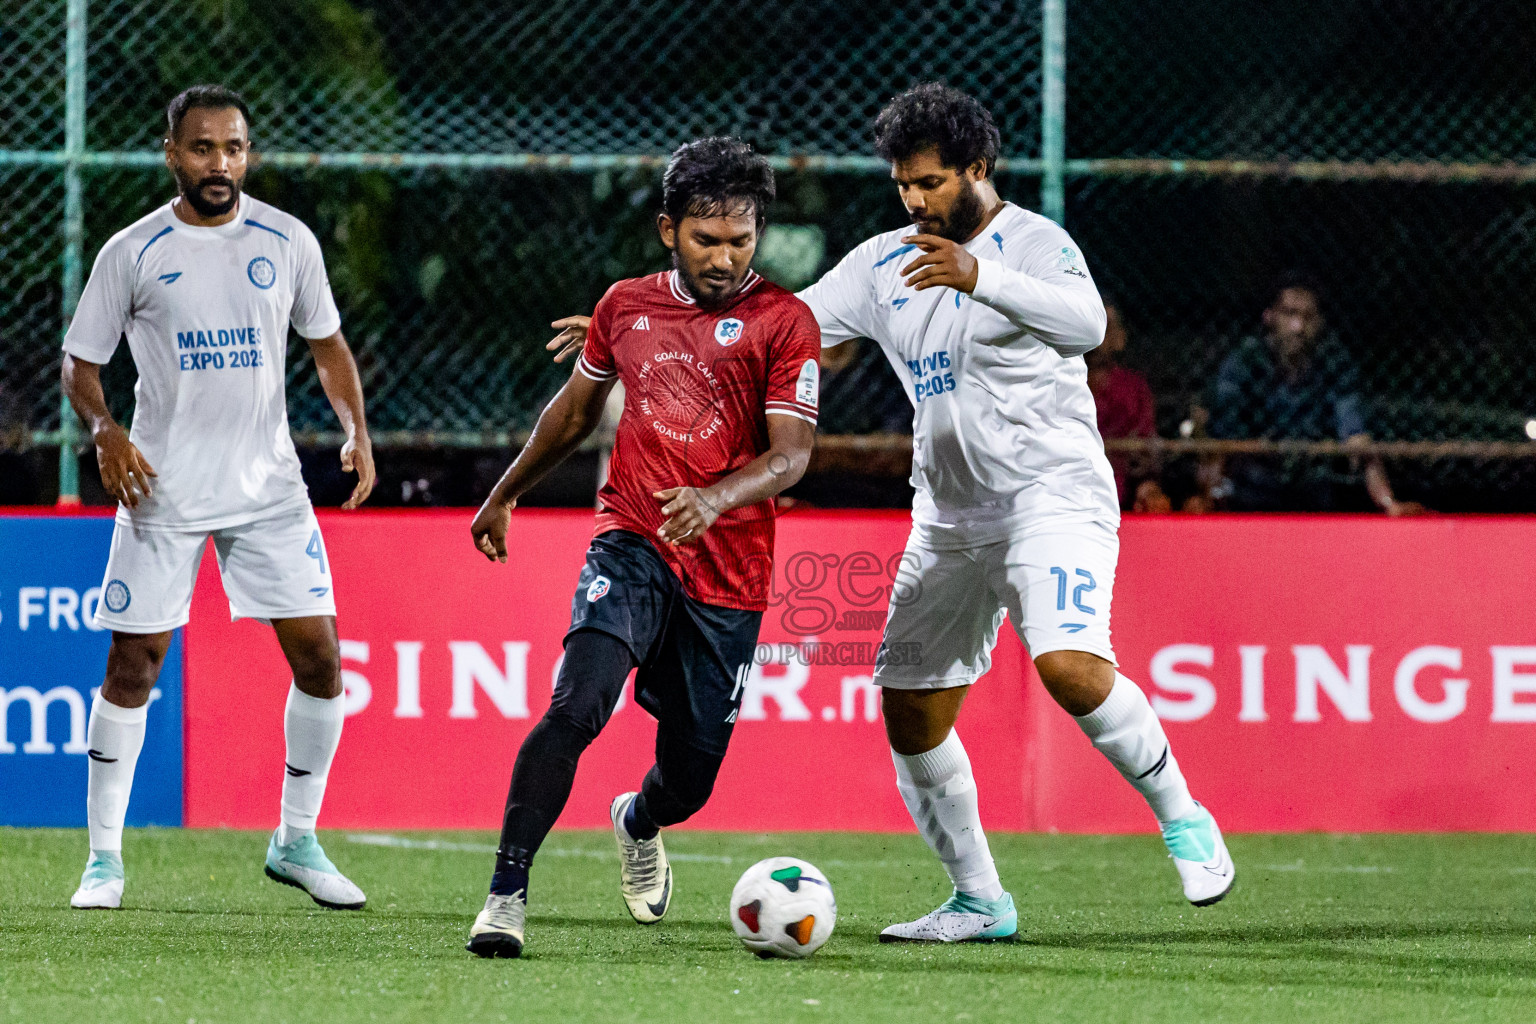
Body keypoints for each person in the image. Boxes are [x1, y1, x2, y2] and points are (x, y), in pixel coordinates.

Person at [548, 86, 1235, 943]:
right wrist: (654, 327)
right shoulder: (885, 262)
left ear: (978, 171)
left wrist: (979, 275)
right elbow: (785, 323)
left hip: (1050, 499)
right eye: (904, 184)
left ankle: (1183, 817)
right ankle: (980, 901)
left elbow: (1086, 325)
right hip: (948, 516)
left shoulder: (1033, 244)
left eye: (933, 182)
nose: (914, 200)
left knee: (1067, 666)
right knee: (909, 708)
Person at [464, 137, 820, 959]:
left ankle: (639, 819)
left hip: (729, 575)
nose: (726, 256)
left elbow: (792, 455)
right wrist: (505, 491)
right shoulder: (624, 306)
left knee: (689, 780)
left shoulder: (784, 322)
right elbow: (574, 414)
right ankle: (505, 897)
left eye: (741, 239)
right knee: (576, 704)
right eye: (706, 238)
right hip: (631, 542)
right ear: (669, 229)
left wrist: (714, 498)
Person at [61, 85, 376, 911]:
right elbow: (80, 366)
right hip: (162, 487)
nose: (220, 164)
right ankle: (102, 861)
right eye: (202, 149)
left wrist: (355, 428)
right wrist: (103, 431)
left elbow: (328, 345)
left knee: (322, 660)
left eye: (233, 148)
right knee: (135, 667)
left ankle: (296, 839)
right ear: (172, 153)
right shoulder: (131, 251)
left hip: (269, 490)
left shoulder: (288, 239)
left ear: (249, 153)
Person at [1206, 273, 1425, 514]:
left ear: (1319, 322)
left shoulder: (1334, 363)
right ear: (1270, 316)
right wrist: (1213, 499)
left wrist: (1387, 502)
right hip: (1252, 490)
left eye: (1307, 317)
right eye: (1289, 314)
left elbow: (1355, 434)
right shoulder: (1244, 362)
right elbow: (1223, 437)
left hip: (1311, 490)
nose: (1298, 327)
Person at [1085, 300, 1171, 512]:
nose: (1098, 334)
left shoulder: (1134, 387)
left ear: (1120, 337)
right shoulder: (1058, 380)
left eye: (1106, 325)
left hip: (1124, 480)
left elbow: (1144, 442)